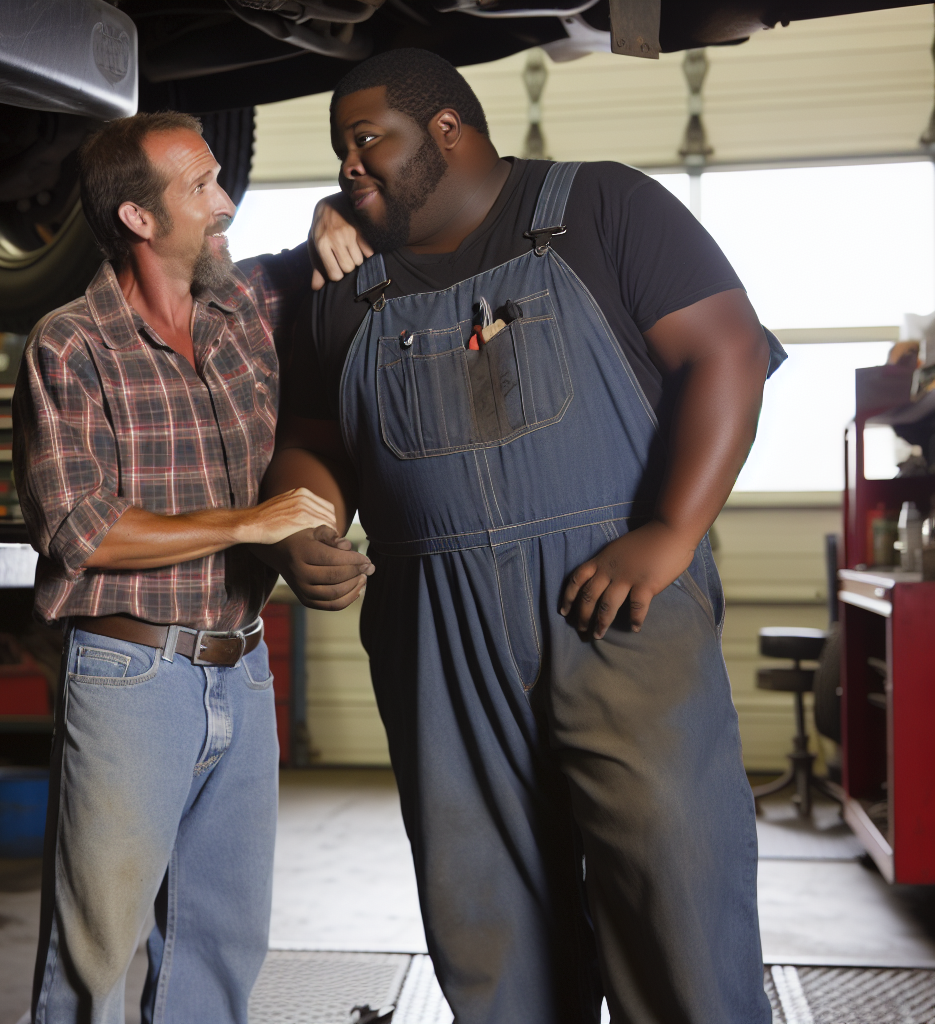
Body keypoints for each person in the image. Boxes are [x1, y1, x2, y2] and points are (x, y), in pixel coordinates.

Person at [259, 48, 786, 1024]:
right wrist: (307, 524)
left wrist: (671, 529)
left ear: (448, 130)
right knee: (485, 908)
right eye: (340, 149)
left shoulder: (598, 209)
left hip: (616, 600)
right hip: (434, 627)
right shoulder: (343, 280)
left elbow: (728, 351)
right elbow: (311, 442)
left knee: (671, 882)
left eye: (366, 139)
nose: (349, 166)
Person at [13, 111, 372, 1024]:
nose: (225, 204)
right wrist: (254, 525)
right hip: (133, 676)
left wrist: (335, 206)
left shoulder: (245, 309)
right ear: (138, 219)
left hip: (241, 667)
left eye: (221, 178)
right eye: (201, 188)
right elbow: (81, 530)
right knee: (96, 952)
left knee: (221, 944)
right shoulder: (69, 344)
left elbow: (341, 242)